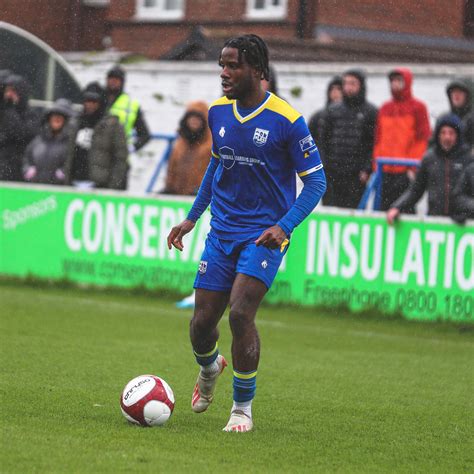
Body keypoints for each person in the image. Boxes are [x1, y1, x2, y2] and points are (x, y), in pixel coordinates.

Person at [167, 34, 326, 433]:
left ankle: (242, 409)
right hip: (221, 230)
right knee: (202, 324)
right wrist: (192, 217)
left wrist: (284, 226)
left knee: (240, 314)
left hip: (264, 235)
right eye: (222, 64)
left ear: (256, 70)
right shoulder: (218, 114)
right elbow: (215, 169)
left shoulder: (287, 120)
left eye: (233, 65)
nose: (224, 73)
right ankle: (209, 369)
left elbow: (317, 182)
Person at [386, 114, 471, 223]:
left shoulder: (468, 159)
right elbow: (415, 190)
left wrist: (467, 212)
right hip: (434, 220)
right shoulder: (429, 158)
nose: (447, 137)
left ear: (458, 136)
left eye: (451, 133)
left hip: (462, 224)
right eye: (443, 133)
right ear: (437, 135)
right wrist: (397, 207)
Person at [318, 69, 377, 208]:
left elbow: (373, 144)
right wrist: (323, 168)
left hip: (356, 177)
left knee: (352, 213)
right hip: (332, 174)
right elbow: (322, 142)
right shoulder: (332, 110)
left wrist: (367, 169)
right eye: (346, 83)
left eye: (353, 83)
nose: (348, 87)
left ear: (361, 86)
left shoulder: (370, 112)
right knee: (330, 212)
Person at [374, 68, 431, 211]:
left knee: (405, 209)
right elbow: (378, 140)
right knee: (382, 210)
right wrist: (376, 166)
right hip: (384, 170)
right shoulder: (385, 108)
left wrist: (413, 166)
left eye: (399, 80)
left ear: (407, 82)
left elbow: (422, 139)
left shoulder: (418, 108)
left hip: (405, 171)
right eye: (393, 81)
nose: (395, 84)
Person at [64, 82, 128, 189]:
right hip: (73, 183)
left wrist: (113, 187)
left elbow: (120, 159)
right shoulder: (75, 122)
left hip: (99, 186)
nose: (90, 105)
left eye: (94, 102)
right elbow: (67, 154)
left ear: (101, 103)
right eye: (87, 101)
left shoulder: (113, 125)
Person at [163, 101, 212, 195]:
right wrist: (169, 187)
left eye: (198, 118)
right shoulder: (179, 145)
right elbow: (171, 170)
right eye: (191, 117)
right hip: (178, 197)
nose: (194, 121)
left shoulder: (211, 146)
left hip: (200, 198)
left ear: (204, 122)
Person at [23, 99, 73, 185]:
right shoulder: (37, 141)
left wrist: (62, 174)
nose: (56, 119)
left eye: (60, 117)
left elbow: (72, 164)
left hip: (59, 191)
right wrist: (28, 170)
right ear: (49, 119)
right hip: (35, 189)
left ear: (65, 121)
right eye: (54, 116)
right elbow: (27, 159)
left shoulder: (70, 143)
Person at [0, 74, 40, 181]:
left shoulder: (31, 115)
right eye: (7, 91)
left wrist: (10, 109)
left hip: (18, 169)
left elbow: (18, 134)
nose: (9, 94)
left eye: (13, 91)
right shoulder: (3, 112)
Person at [105, 65, 151, 152]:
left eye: (117, 79)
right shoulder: (97, 99)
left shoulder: (131, 105)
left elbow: (145, 135)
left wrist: (132, 147)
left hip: (118, 155)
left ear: (122, 82)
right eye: (111, 78)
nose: (113, 81)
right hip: (97, 153)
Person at [308, 75, 343, 146]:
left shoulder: (354, 116)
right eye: (332, 89)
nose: (335, 92)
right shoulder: (318, 117)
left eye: (339, 89)